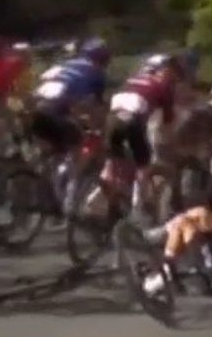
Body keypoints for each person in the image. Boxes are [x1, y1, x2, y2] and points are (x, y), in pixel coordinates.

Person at [30, 38, 110, 214]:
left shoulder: (65, 64)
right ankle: (68, 202)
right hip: (56, 113)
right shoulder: (97, 73)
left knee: (50, 151)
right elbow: (95, 108)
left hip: (35, 111)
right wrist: (100, 130)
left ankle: (38, 185)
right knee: (77, 153)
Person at [106, 52, 183, 213]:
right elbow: (168, 123)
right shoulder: (163, 87)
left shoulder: (131, 80)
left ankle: (109, 202)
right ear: (162, 71)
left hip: (112, 121)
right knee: (144, 166)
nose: (172, 76)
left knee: (113, 163)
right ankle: (137, 209)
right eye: (170, 72)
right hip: (133, 123)